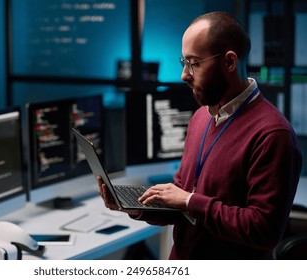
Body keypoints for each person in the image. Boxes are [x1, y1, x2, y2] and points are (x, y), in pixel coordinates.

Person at [97, 11, 302, 259]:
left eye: (194, 63)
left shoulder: (273, 134)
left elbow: (263, 230)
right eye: (184, 63)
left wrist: (190, 201)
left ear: (229, 62)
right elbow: (182, 200)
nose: (184, 75)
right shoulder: (201, 117)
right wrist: (135, 207)